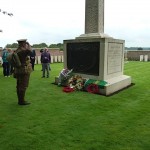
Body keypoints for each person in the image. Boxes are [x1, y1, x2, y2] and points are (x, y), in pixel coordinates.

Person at [13, 39, 32, 105]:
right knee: (23, 86)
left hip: (18, 70)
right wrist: (28, 43)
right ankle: (21, 101)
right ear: (23, 43)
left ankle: (20, 100)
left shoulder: (17, 50)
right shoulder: (23, 51)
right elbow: (30, 50)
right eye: (25, 43)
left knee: (18, 85)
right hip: (23, 70)